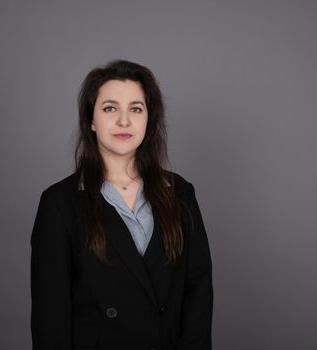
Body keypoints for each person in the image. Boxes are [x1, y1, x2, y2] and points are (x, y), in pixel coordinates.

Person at [30, 60, 213, 350]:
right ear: (91, 120)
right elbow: (50, 313)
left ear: (148, 119)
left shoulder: (180, 193)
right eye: (110, 108)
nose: (124, 121)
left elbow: (198, 292)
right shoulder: (59, 203)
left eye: (136, 109)